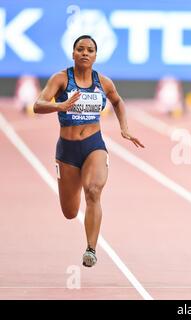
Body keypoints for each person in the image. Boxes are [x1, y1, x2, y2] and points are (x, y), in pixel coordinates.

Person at [33, 35, 144, 267]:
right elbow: (37, 105)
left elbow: (118, 101)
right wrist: (59, 105)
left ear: (95, 56)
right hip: (67, 150)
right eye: (80, 49)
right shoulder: (61, 79)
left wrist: (124, 128)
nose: (85, 53)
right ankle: (77, 215)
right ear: (73, 54)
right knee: (70, 212)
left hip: (94, 145)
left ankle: (91, 249)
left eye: (90, 50)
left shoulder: (103, 82)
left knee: (93, 191)